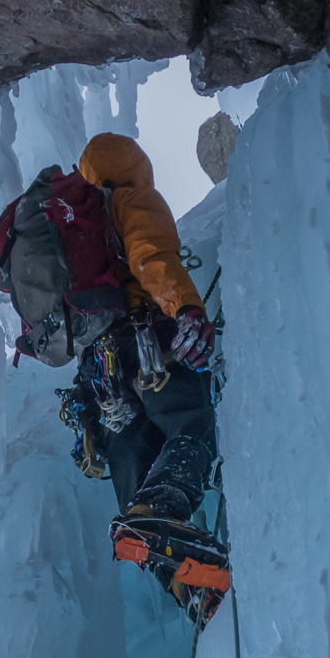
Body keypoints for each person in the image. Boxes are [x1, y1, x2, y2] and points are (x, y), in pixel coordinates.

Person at [64, 133, 217, 528]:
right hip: (148, 339)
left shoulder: (76, 231)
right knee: (191, 421)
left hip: (100, 372)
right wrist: (186, 308)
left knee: (133, 451)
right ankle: (163, 510)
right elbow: (151, 256)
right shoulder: (130, 199)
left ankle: (177, 573)